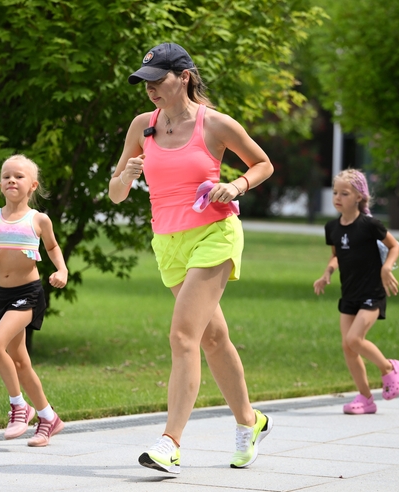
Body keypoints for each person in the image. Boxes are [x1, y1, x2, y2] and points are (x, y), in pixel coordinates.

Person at [109, 42, 275, 474]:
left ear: (183, 77)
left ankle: (170, 442)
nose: (150, 91)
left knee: (183, 336)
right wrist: (124, 176)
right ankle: (249, 422)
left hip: (214, 234)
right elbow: (115, 192)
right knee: (213, 339)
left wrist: (236, 186)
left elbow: (263, 164)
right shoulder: (142, 126)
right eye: (144, 83)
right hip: (168, 243)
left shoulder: (215, 124)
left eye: (157, 81)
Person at [0, 154, 68, 446]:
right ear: (0, 184)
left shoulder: (39, 220)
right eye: (6, 176)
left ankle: (18, 406)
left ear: (33, 185)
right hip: (2, 296)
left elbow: (52, 247)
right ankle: (49, 417)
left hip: (28, 295)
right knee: (21, 363)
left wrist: (62, 269)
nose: (12, 180)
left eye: (19, 176)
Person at [313, 169, 399, 415]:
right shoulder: (332, 227)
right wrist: (327, 273)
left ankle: (388, 368)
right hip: (349, 294)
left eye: (345, 193)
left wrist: (386, 268)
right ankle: (366, 399)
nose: (337, 197)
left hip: (372, 292)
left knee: (355, 339)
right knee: (348, 347)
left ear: (359, 197)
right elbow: (337, 256)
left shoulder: (369, 225)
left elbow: (395, 246)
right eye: (335, 192)